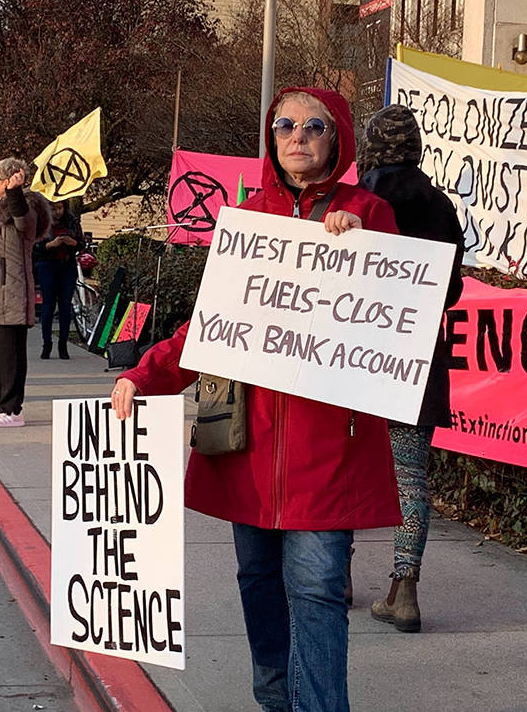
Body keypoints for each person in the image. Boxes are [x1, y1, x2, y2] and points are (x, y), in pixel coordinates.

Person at [110, 87, 401, 712]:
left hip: (330, 448)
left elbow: (400, 317)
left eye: (313, 126)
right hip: (249, 441)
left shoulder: (370, 213)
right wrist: (147, 373)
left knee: (319, 587)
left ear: (337, 138)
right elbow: (209, 323)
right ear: (271, 140)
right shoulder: (245, 221)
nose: (297, 136)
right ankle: (274, 700)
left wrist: (363, 252)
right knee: (259, 581)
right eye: (285, 125)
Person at [355, 104, 465, 634]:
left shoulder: (355, 202)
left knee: (344, 463)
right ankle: (404, 588)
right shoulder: (441, 206)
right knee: (411, 478)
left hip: (353, 357)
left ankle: (336, 576)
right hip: (418, 361)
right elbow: (453, 290)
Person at [0, 156, 52, 428]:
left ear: (8, 181)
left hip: (11, 293)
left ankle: (13, 409)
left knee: (10, 355)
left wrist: (15, 193)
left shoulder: (26, 204)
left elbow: (24, 224)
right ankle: (0, 404)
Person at [33, 199, 85, 360]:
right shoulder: (42, 221)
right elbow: (35, 247)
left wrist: (72, 242)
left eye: (60, 208)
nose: (57, 212)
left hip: (67, 265)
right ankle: (46, 343)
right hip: (48, 265)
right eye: (54, 208)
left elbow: (81, 244)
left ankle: (63, 345)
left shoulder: (72, 221)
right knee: (48, 305)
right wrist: (51, 244)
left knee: (65, 306)